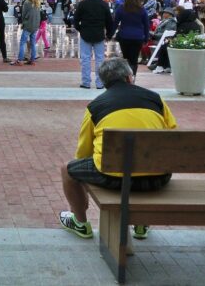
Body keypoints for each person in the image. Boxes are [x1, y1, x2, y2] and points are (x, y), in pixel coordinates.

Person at [59, 57, 177, 240]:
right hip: (157, 178)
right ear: (129, 77)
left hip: (113, 178)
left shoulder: (95, 107)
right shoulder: (156, 100)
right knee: (143, 164)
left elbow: (83, 153)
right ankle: (141, 224)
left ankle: (80, 222)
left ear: (105, 83)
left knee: (67, 170)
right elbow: (172, 136)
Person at [74, 0, 114, 89]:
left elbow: (75, 19)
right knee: (100, 59)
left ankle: (86, 82)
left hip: (85, 33)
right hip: (99, 34)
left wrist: (80, 29)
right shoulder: (104, 5)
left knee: (85, 59)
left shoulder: (83, 4)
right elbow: (109, 22)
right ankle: (100, 83)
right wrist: (109, 35)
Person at [114, 0, 150, 78]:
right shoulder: (142, 10)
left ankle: (126, 77)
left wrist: (109, 34)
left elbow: (115, 23)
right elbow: (146, 25)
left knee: (126, 59)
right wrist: (146, 38)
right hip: (138, 37)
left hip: (124, 37)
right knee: (134, 59)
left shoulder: (121, 8)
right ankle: (132, 77)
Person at [11, 0, 41, 66]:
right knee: (33, 43)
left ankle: (20, 60)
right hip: (35, 25)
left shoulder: (27, 3)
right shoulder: (37, 3)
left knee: (22, 42)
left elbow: (23, 15)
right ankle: (32, 60)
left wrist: (23, 23)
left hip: (28, 25)